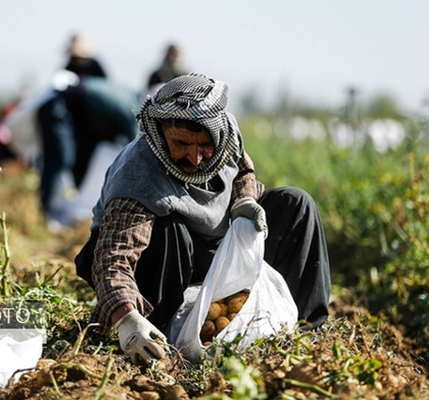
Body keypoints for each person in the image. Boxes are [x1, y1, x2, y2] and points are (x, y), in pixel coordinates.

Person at [75, 73, 331, 363]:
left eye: (204, 146)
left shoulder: (225, 132)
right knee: (171, 228)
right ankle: (159, 337)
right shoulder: (137, 177)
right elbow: (113, 261)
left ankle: (306, 333)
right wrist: (126, 319)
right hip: (158, 254)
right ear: (160, 130)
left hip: (211, 244)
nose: (195, 157)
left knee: (296, 203)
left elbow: (243, 171)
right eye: (182, 144)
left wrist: (244, 201)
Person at [35, 72, 142, 230]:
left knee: (82, 160)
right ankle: (45, 214)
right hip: (58, 105)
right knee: (61, 158)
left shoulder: (132, 98)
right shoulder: (133, 115)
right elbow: (135, 152)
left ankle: (69, 208)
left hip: (79, 115)